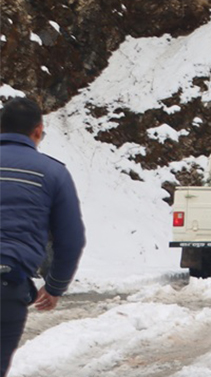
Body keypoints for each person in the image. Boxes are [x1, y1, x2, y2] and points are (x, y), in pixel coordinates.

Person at [1, 98, 86, 377]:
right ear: (38, 131)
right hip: (7, 285)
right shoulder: (52, 173)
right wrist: (55, 286)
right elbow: (70, 239)